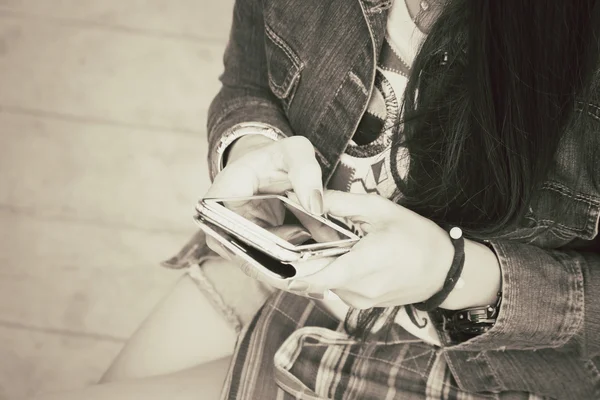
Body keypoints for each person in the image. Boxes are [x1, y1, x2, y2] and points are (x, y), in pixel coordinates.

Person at [33, 0, 600, 399]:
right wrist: (254, 147)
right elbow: (249, 75)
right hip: (291, 248)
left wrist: (451, 274)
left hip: (482, 358)